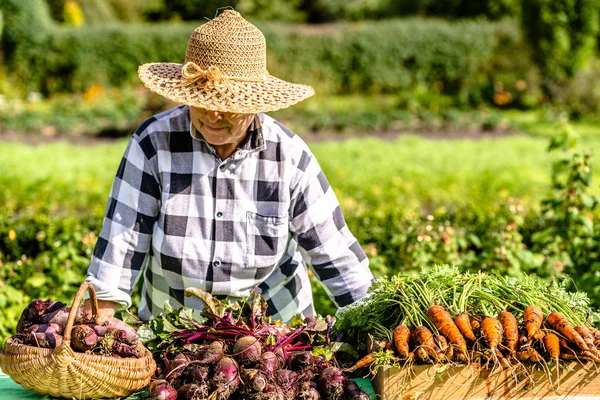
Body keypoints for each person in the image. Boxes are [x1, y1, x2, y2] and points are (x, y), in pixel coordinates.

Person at [85, 10, 373, 323]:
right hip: (173, 329)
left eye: (227, 104)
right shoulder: (154, 143)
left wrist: (373, 320)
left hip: (273, 336)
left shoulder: (288, 157)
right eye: (202, 99)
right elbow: (123, 239)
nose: (213, 113)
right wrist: (101, 319)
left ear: (255, 104)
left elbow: (334, 253)